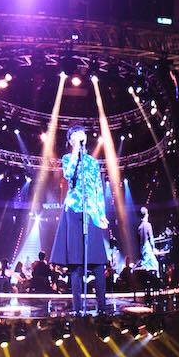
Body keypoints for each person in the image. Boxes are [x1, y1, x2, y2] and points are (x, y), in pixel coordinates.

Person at [50, 125, 110, 314]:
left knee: (98, 262)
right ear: (70, 140)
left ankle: (102, 308)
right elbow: (68, 174)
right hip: (74, 211)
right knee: (76, 263)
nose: (79, 137)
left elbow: (98, 188)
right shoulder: (68, 158)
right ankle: (77, 309)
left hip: (91, 212)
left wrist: (101, 214)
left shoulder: (93, 162)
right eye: (74, 136)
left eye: (81, 134)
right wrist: (75, 151)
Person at [137, 206, 159, 274]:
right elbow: (151, 239)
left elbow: (138, 241)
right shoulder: (148, 225)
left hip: (142, 249)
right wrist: (153, 248)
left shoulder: (139, 227)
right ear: (146, 215)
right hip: (147, 248)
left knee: (148, 265)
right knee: (155, 265)